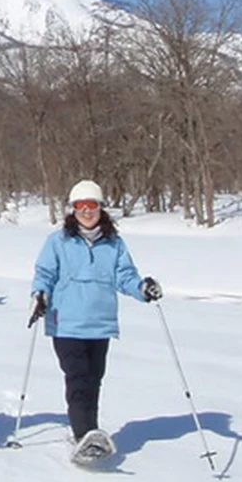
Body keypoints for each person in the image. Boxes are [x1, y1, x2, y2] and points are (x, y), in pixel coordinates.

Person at [28, 179, 162, 465]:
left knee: (94, 378)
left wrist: (142, 289)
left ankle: (90, 434)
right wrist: (39, 295)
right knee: (78, 378)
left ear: (101, 208)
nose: (87, 212)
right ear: (72, 210)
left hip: (100, 323)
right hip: (66, 323)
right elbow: (44, 274)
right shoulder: (58, 241)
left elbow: (125, 276)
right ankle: (84, 435)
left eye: (93, 206)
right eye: (81, 206)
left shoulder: (114, 243)